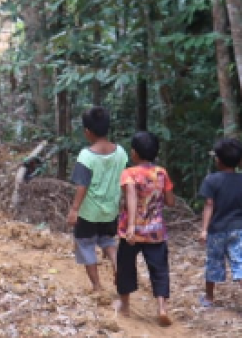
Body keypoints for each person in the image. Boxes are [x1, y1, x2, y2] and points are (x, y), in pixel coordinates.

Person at [66, 107, 128, 294]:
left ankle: (97, 286)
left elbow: (82, 185)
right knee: (108, 241)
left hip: (88, 213)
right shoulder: (121, 153)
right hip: (110, 211)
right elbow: (125, 180)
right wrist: (124, 201)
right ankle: (118, 267)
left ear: (87, 132)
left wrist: (75, 209)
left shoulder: (86, 156)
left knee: (85, 245)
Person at [198, 138, 242, 319]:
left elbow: (209, 205)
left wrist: (204, 229)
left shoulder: (211, 180)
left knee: (214, 261)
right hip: (239, 228)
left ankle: (209, 297)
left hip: (217, 229)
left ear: (218, 160)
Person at [117, 131, 175, 326]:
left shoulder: (129, 174)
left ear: (134, 153)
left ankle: (124, 305)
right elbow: (170, 201)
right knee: (159, 269)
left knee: (125, 267)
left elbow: (131, 198)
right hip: (156, 232)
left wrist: (132, 225)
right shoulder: (161, 173)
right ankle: (162, 307)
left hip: (131, 232)